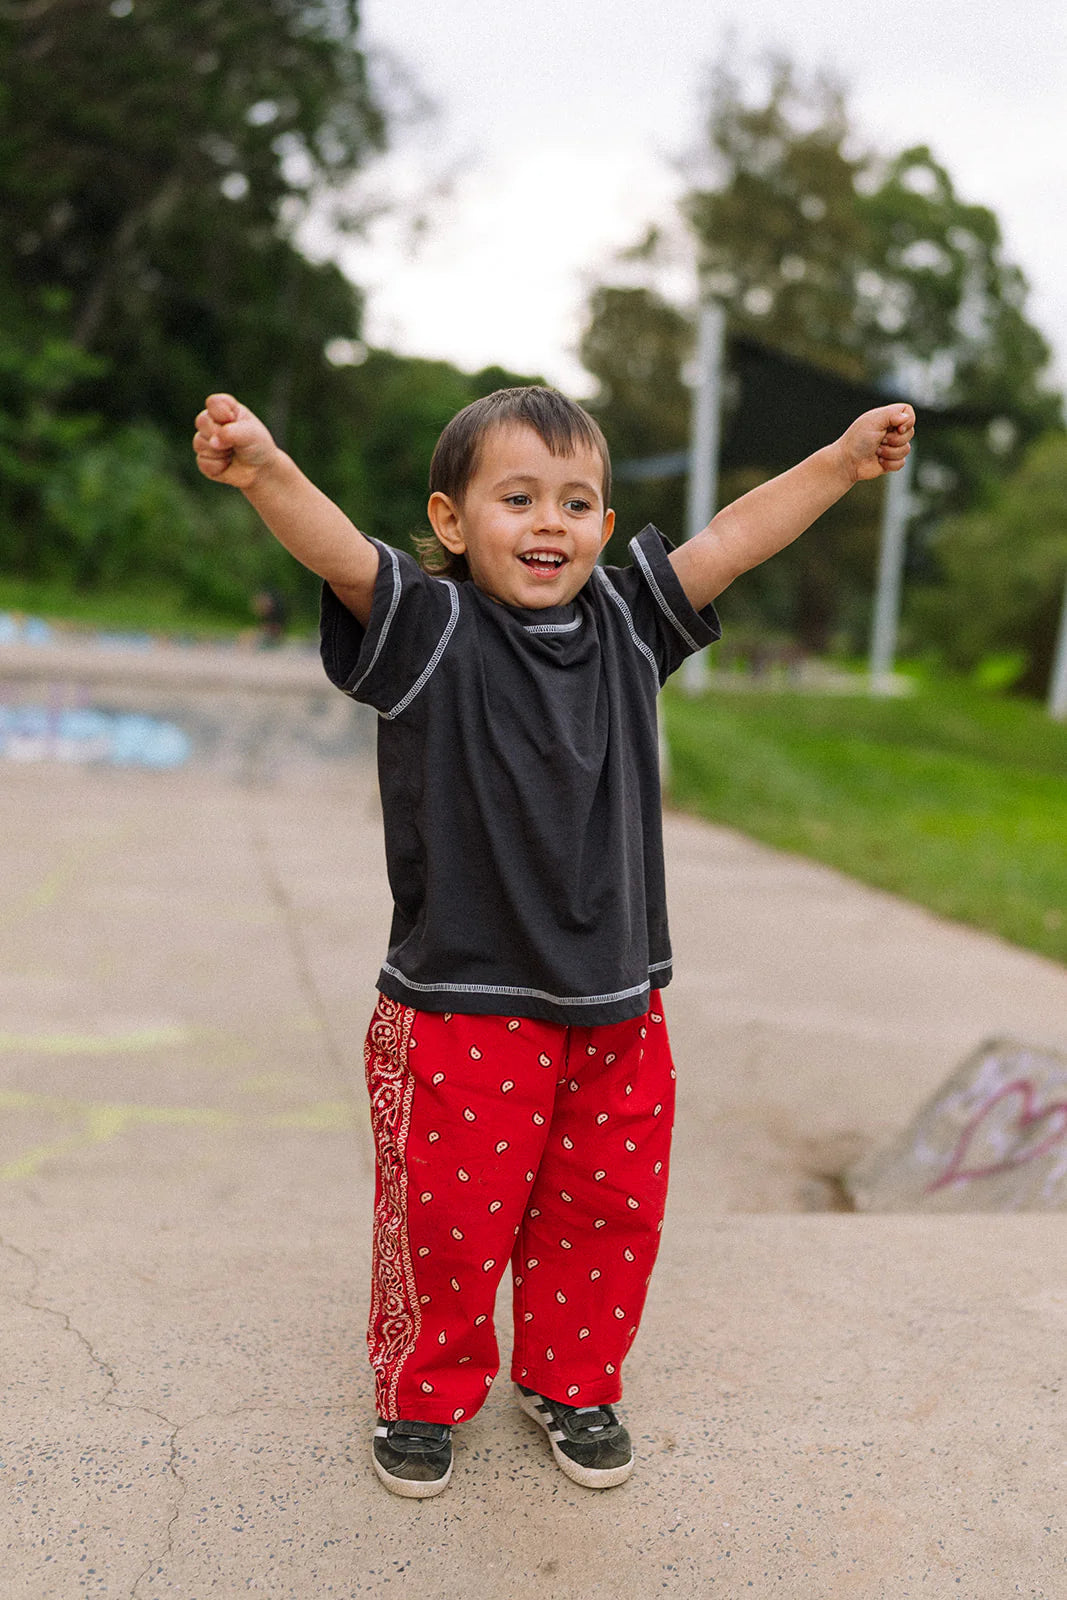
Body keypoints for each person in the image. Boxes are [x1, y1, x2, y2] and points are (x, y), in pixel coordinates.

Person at [193, 383, 914, 1498]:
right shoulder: (429, 630)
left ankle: (571, 1379)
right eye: (516, 497)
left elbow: (730, 540)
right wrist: (265, 471)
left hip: (617, 1002)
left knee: (607, 1209)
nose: (548, 523)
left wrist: (837, 461)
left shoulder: (629, 621)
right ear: (449, 521)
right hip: (460, 1003)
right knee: (445, 1223)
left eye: (576, 503)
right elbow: (341, 558)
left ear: (606, 529)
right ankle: (423, 1394)